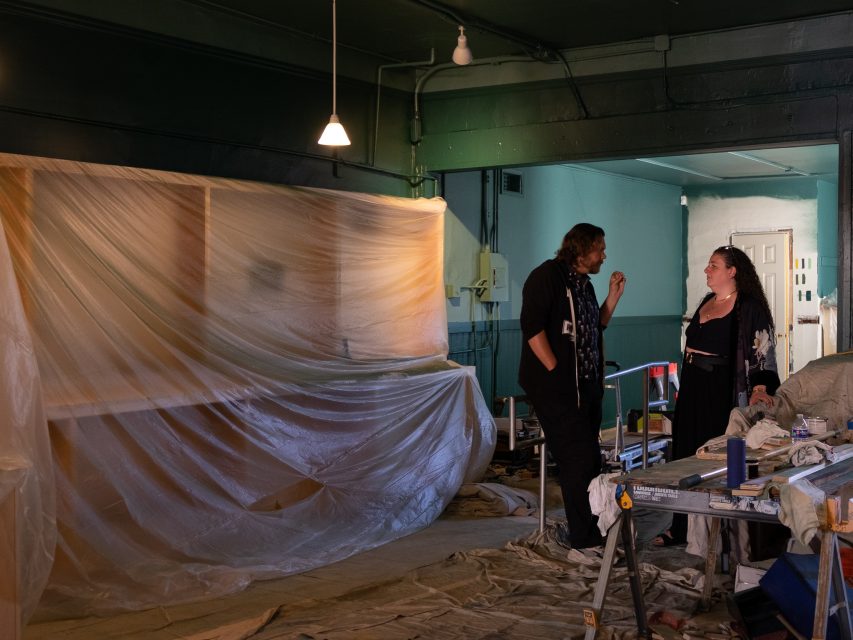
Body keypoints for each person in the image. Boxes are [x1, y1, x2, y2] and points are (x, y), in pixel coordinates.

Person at [660, 244, 780, 546]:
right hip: (691, 385)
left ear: (732, 271)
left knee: (714, 454)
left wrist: (760, 386)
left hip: (720, 388)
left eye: (713, 265)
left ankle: (718, 529)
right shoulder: (706, 300)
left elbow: (762, 348)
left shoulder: (748, 306)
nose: (707, 270)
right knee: (686, 451)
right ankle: (681, 525)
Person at [518, 223, 626, 550]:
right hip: (559, 391)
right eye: (600, 249)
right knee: (576, 461)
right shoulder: (547, 277)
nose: (604, 256)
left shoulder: (584, 286)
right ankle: (584, 539)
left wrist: (613, 297)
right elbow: (532, 327)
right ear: (581, 250)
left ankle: (592, 529)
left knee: (590, 460)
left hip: (587, 388)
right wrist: (556, 372)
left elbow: (596, 326)